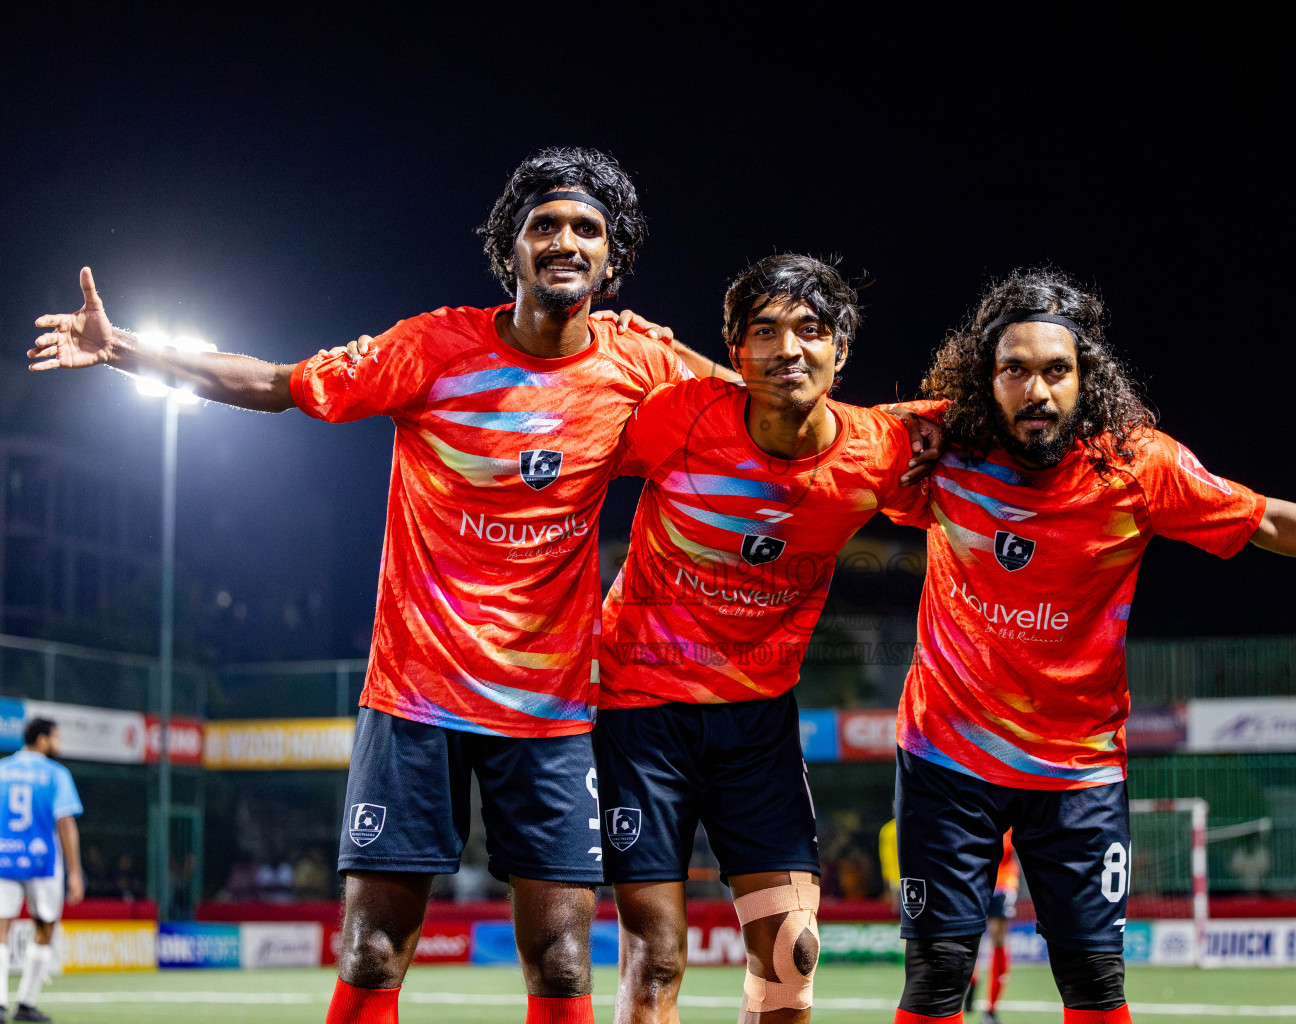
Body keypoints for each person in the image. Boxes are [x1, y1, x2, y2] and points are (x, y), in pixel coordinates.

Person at [29, 147, 693, 1024]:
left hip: (553, 710)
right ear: (513, 248)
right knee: (374, 948)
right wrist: (120, 350)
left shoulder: (640, 365)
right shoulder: (432, 348)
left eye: (587, 229)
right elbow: (276, 384)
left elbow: (759, 416)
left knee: (566, 962)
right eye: (545, 225)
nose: (566, 241)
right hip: (417, 697)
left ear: (614, 257)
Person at [887, 268, 1296, 1024]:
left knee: (1094, 987)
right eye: (1015, 370)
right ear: (984, 380)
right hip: (947, 757)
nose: (1037, 390)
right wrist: (714, 374)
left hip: (1078, 766)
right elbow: (801, 428)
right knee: (935, 981)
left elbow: (1272, 522)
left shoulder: (1135, 465)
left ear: (1086, 378)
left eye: (1057, 370)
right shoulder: (933, 445)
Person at [593, 254, 934, 1024]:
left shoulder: (877, 450)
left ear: (841, 350)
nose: (790, 349)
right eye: (765, 332)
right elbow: (567, 453)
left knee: (792, 955)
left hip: (758, 719)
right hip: (641, 707)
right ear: (734, 349)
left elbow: (989, 433)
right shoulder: (676, 415)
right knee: (657, 957)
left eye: (812, 331)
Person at [0, 718, 84, 1023]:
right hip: (43, 863)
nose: (59, 745)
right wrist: (75, 871)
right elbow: (65, 823)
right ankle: (25, 1003)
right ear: (43, 739)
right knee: (45, 928)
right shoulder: (56, 774)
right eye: (56, 738)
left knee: (1, 930)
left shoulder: (2, 770)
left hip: (3, 859)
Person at [964, 829, 1019, 1024]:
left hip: (1003, 880)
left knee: (998, 937)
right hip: (976, 877)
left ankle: (991, 1009)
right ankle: (972, 978)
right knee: (969, 933)